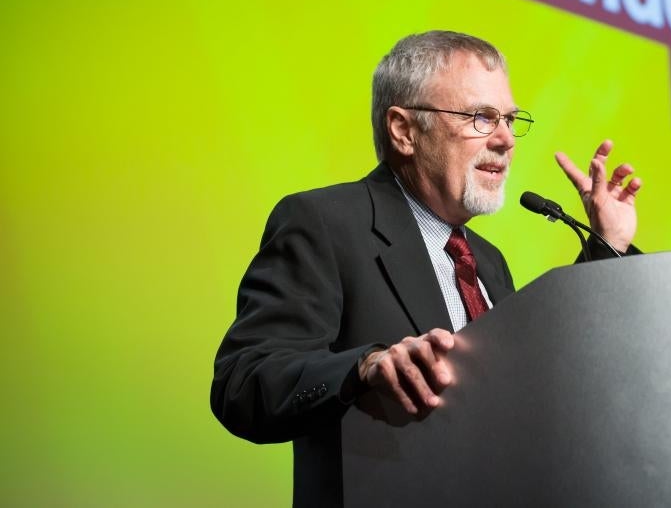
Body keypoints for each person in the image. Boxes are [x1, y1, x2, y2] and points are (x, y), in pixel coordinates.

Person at [210, 30, 641, 506]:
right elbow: (243, 381)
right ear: (404, 131)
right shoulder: (325, 224)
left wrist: (607, 242)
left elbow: (535, 376)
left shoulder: (488, 262)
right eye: (481, 117)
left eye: (510, 120)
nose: (504, 140)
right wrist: (363, 366)